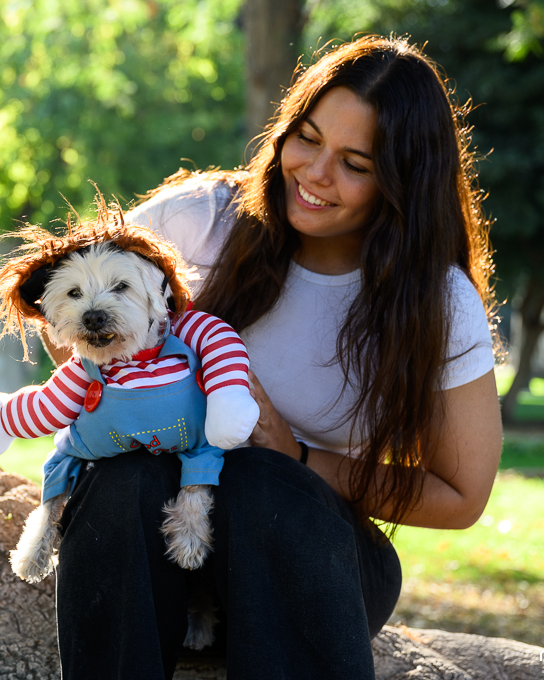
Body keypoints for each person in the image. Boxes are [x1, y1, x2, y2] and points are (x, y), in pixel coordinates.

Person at [48, 35, 503, 679]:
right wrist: (131, 387)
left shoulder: (436, 300)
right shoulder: (202, 219)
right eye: (308, 138)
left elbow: (461, 496)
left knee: (266, 480)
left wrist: (296, 456)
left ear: (403, 183)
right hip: (152, 551)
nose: (315, 173)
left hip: (314, 561)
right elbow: (67, 309)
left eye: (356, 163)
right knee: (126, 480)